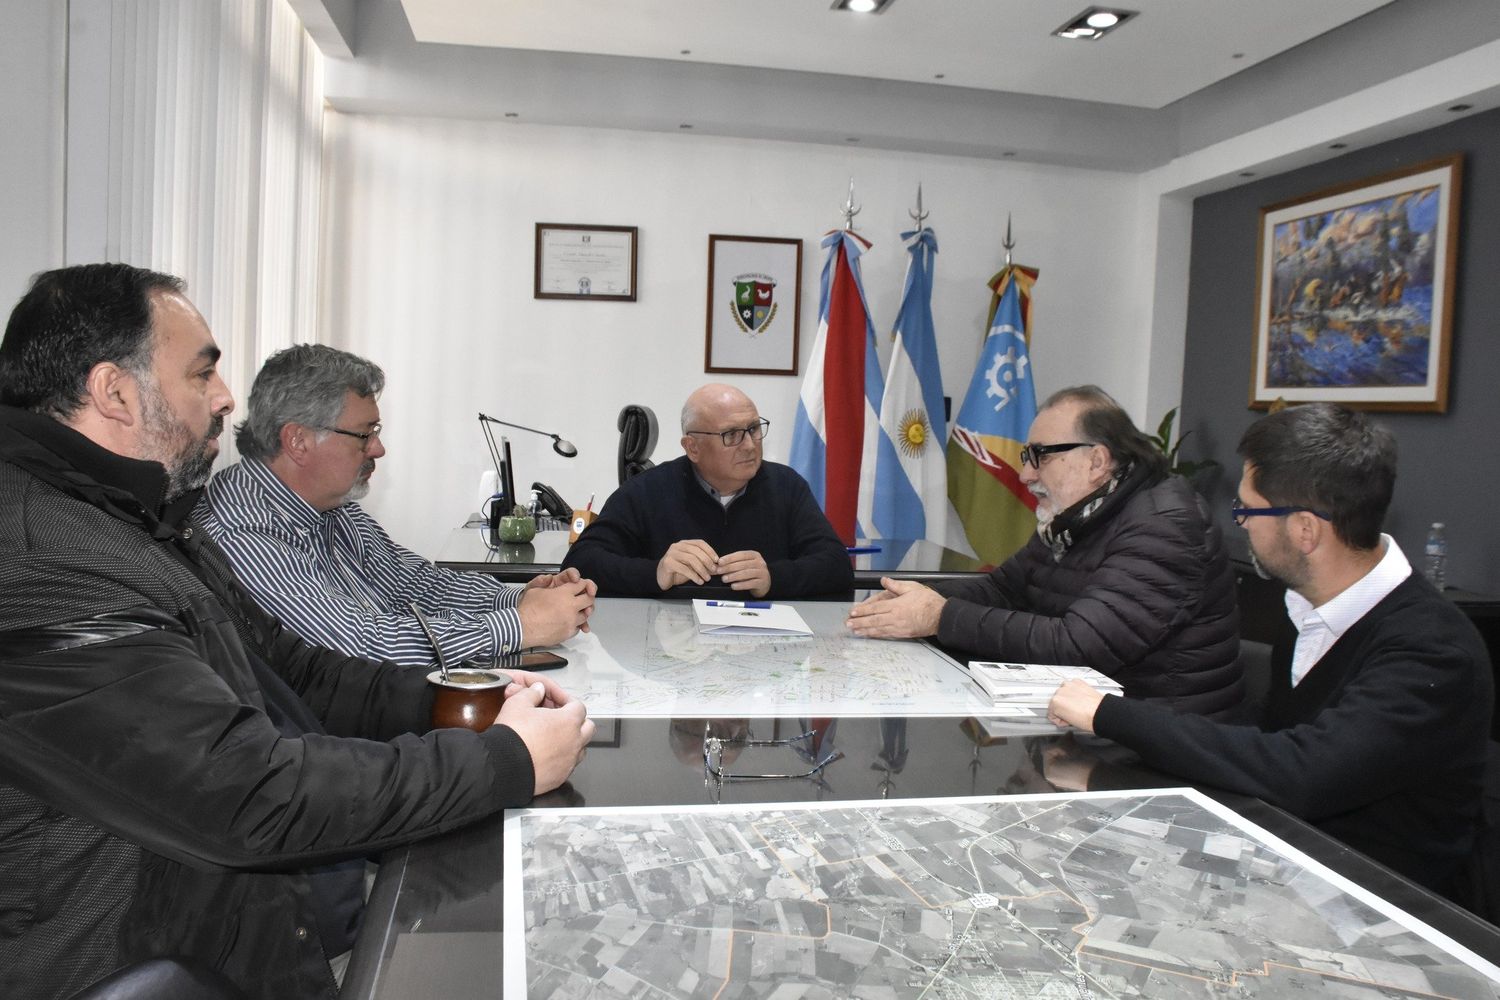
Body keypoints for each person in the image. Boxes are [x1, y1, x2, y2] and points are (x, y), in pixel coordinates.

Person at [0, 264, 593, 1000]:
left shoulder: (136, 521)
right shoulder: (48, 562)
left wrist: (462, 693)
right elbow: (245, 793)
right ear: (115, 392)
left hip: (248, 937)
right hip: (143, 968)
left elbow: (297, 673)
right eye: (202, 374)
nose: (224, 400)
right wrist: (503, 763)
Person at [1047, 403, 1493, 895]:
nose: (1240, 524)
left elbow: (1303, 771)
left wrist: (1111, 715)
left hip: (1388, 906)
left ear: (1305, 529)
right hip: (1294, 862)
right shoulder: (1311, 606)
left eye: (1246, 510)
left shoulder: (1434, 650)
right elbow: (1267, 734)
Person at [847, 385, 1242, 718]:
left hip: (1162, 736)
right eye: (1027, 457)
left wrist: (939, 616)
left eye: (1041, 455)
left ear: (1097, 461)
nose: (1026, 474)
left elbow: (1080, 645)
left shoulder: (1165, 525)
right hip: (1090, 718)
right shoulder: (1079, 514)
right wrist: (911, 600)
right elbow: (1002, 589)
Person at [196, 344, 595, 666]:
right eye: (364, 434)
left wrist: (521, 597)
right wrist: (521, 625)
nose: (379, 449)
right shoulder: (244, 532)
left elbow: (416, 584)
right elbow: (362, 648)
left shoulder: (332, 509)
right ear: (298, 440)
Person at [560, 383, 853, 598]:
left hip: (760, 657)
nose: (751, 445)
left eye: (753, 429)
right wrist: (656, 573)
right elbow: (580, 563)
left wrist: (773, 578)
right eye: (732, 435)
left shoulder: (786, 486)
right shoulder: (647, 490)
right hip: (670, 657)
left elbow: (836, 567)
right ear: (693, 448)